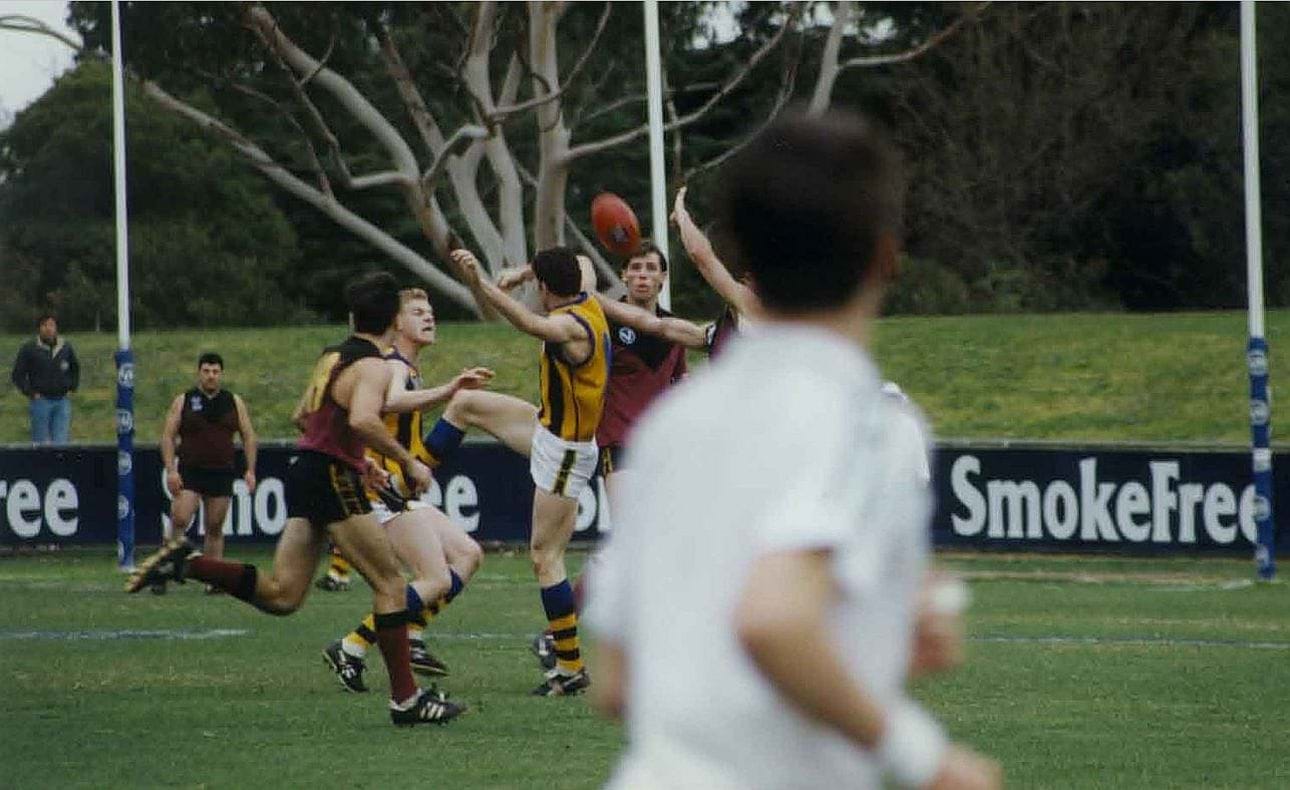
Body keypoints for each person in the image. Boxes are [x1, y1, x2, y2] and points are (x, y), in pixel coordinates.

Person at [585, 110, 1002, 789]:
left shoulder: (667, 426)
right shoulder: (870, 421)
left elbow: (617, 682)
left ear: (748, 255)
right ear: (884, 257)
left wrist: (876, 637)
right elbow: (774, 619)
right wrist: (931, 759)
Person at [125, 272, 466, 728]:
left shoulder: (333, 357)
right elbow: (365, 420)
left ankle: (187, 563)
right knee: (390, 585)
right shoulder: (375, 365)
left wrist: (362, 464)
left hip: (306, 470)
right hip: (328, 476)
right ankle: (406, 700)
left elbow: (303, 416)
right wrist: (409, 462)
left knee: (284, 596)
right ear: (390, 320)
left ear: (352, 317)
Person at [424, 246, 609, 697]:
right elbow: (578, 258)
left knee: (545, 557)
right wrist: (523, 272)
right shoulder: (585, 289)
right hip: (547, 428)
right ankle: (408, 479)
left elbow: (532, 324)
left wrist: (482, 283)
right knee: (466, 404)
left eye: (538, 285)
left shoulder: (570, 324)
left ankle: (570, 668)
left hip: (565, 450)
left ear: (546, 289)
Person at [324, 287, 492, 691]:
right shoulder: (392, 366)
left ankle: (410, 635)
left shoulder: (407, 367)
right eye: (417, 312)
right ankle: (353, 644)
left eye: (430, 311)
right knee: (432, 579)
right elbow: (395, 400)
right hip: (377, 493)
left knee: (468, 554)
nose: (429, 317)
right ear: (396, 323)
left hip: (395, 493)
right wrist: (451, 392)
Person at [159, 352, 258, 593]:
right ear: (199, 373)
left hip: (222, 471)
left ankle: (215, 580)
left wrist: (250, 470)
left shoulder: (233, 401)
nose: (211, 376)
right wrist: (171, 470)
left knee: (215, 526)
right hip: (191, 470)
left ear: (221, 374)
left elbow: (248, 436)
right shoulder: (183, 400)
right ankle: (164, 570)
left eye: (215, 372)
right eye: (206, 371)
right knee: (180, 517)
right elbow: (168, 436)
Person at [10, 313, 79, 444]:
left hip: (62, 401)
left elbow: (75, 368)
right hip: (41, 401)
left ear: (56, 327)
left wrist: (72, 387)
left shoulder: (65, 347)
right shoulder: (29, 348)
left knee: (61, 443)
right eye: (44, 325)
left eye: (51, 325)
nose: (48, 328)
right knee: (40, 443)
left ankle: (58, 464)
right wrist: (30, 392)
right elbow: (17, 374)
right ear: (39, 328)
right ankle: (40, 464)